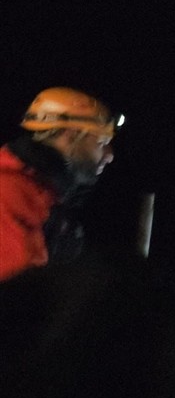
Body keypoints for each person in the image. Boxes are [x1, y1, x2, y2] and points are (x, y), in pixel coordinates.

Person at [0, 86, 119, 281]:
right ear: (71, 134)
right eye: (102, 141)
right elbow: (18, 298)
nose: (109, 155)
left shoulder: (43, 192)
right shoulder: (12, 193)